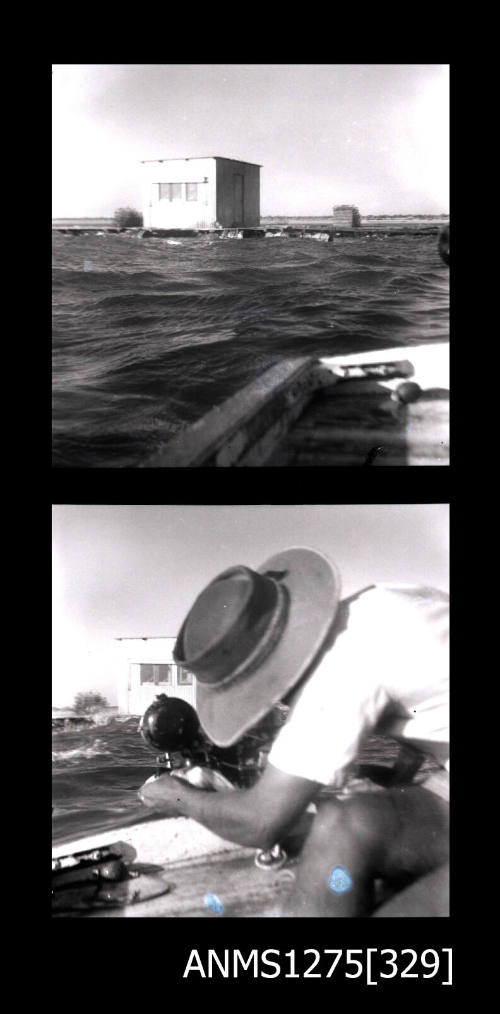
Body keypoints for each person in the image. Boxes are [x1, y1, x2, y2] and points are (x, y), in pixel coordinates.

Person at [138, 548, 449, 917]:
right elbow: (423, 726)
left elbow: (261, 822)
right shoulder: (378, 605)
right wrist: (387, 784)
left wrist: (177, 796)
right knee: (343, 821)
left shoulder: (338, 673)